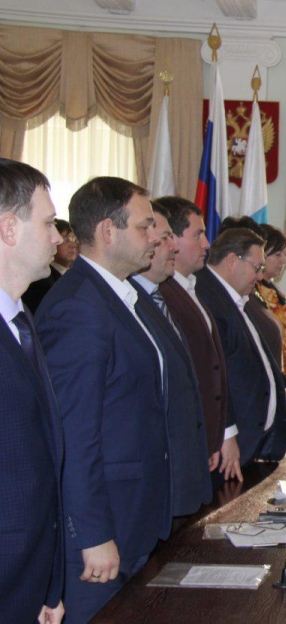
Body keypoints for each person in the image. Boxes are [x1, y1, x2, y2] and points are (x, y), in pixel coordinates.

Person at [36, 177, 170, 621]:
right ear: (108, 231)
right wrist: (92, 534)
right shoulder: (80, 305)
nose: (154, 237)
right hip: (102, 532)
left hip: (131, 517)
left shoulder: (117, 296)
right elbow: (73, 433)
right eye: (144, 226)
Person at [0, 159, 65, 624]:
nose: (58, 237)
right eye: (48, 223)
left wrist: (49, 582)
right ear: (9, 229)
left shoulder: (22, 319)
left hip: (29, 576)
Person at [129, 200, 212, 519]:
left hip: (185, 467)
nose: (171, 247)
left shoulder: (158, 295)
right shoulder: (132, 299)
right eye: (164, 237)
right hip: (153, 477)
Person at [196, 228, 286, 472]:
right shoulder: (208, 297)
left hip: (249, 445)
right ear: (231, 261)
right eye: (256, 267)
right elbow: (213, 375)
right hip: (229, 449)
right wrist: (227, 433)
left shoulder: (236, 298)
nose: (259, 276)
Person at [153, 197, 232, 481]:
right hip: (183, 448)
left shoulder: (190, 287)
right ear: (172, 238)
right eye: (197, 234)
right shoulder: (160, 293)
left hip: (204, 443)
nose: (207, 244)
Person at [219, 217, 286, 413]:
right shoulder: (240, 296)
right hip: (251, 402)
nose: (283, 261)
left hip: (274, 390)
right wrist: (278, 389)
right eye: (277, 254)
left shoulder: (267, 292)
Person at [22, 218, 77, 312]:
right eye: (66, 239)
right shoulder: (41, 282)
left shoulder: (76, 274)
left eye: (74, 239)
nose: (73, 245)